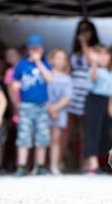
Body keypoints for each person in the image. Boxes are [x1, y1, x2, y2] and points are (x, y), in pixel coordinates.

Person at [62, 19, 100, 171]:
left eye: (87, 30)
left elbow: (91, 62)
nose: (83, 33)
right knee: (67, 128)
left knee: (86, 130)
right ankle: (61, 161)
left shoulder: (95, 49)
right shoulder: (74, 51)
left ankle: (86, 163)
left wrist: (84, 43)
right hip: (72, 90)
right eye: (81, 30)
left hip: (86, 90)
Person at [13, 34, 53, 176]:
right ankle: (22, 166)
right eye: (33, 48)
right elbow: (15, 84)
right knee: (24, 135)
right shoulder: (22, 64)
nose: (36, 51)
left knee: (42, 135)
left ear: (42, 49)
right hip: (26, 105)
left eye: (39, 48)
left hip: (42, 105)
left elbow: (49, 78)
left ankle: (40, 165)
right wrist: (16, 103)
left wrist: (39, 63)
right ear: (29, 49)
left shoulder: (46, 63)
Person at [83, 46, 112, 174]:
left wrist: (111, 105)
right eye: (100, 55)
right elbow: (94, 78)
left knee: (103, 131)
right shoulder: (92, 69)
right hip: (93, 100)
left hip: (105, 101)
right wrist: (94, 63)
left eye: (106, 55)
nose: (103, 58)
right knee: (92, 130)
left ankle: (98, 161)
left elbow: (111, 90)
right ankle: (93, 163)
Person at [47, 49, 72, 175]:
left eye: (63, 58)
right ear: (51, 60)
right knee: (41, 138)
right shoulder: (46, 74)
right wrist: (50, 108)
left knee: (56, 139)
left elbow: (67, 98)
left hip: (60, 111)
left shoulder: (67, 78)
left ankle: (53, 165)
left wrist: (55, 108)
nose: (60, 61)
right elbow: (41, 93)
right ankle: (37, 165)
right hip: (45, 109)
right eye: (58, 58)